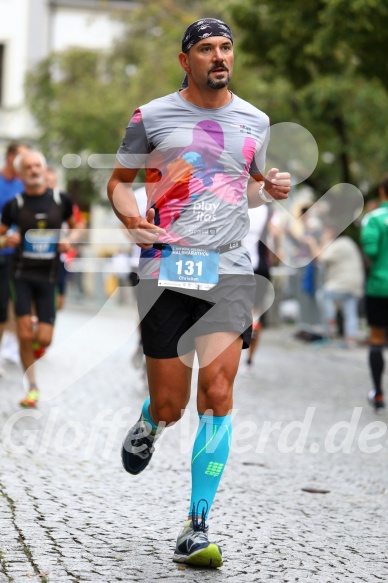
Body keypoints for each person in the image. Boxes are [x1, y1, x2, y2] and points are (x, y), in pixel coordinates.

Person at [107, 18, 290, 568]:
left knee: (217, 392)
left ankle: (196, 524)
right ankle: (150, 421)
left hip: (231, 273)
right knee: (172, 404)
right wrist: (131, 217)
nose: (219, 56)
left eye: (226, 47)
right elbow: (119, 181)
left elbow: (251, 188)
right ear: (185, 59)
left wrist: (271, 186)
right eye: (207, 48)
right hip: (165, 269)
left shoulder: (255, 121)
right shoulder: (151, 116)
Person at [0, 150, 76, 407]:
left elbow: (76, 227)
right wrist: (5, 240)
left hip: (49, 276)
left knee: (43, 339)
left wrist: (69, 240)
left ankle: (31, 337)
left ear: (43, 170)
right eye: (28, 167)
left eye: (37, 166)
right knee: (23, 335)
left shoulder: (60, 200)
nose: (33, 170)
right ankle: (32, 386)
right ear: (20, 174)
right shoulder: (15, 205)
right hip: (21, 274)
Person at [305, 224, 365, 347]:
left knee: (322, 295)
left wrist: (312, 243)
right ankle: (350, 339)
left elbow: (319, 257)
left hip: (342, 282)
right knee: (350, 311)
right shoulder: (347, 242)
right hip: (355, 283)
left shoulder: (338, 244)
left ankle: (331, 322)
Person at [0, 142, 30, 371]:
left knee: (5, 306)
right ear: (10, 158)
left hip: (13, 255)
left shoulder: (22, 186)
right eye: (21, 158)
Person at [360, 176, 388, 410]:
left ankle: (378, 393)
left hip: (380, 286)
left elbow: (371, 249)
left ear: (382, 191)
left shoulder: (374, 218)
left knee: (377, 339)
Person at [240, 198, 273, 375]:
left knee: (242, 313)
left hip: (240, 267)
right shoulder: (269, 210)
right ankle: (249, 361)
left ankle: (242, 358)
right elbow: (276, 236)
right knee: (255, 315)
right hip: (259, 268)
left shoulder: (234, 203)